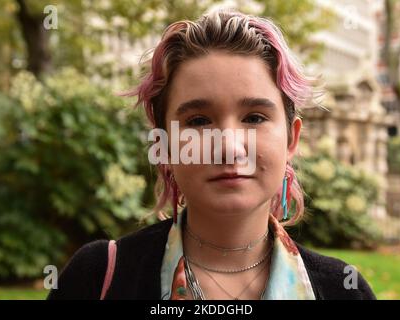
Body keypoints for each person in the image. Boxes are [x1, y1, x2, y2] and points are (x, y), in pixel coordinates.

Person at [47, 9, 376, 300]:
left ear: (291, 139)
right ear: (164, 144)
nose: (230, 148)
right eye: (199, 121)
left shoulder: (344, 291)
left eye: (254, 118)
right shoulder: (96, 279)